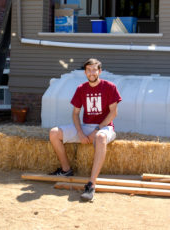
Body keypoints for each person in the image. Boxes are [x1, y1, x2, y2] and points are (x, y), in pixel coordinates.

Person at [49, 58, 122, 201]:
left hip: (105, 127)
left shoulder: (110, 87)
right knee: (53, 133)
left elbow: (113, 113)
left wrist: (96, 130)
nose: (92, 72)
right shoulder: (81, 89)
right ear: (85, 72)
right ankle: (66, 170)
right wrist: (81, 133)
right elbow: (75, 114)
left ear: (99, 71)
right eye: (89, 70)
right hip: (86, 127)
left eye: (94, 69)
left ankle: (91, 184)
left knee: (100, 137)